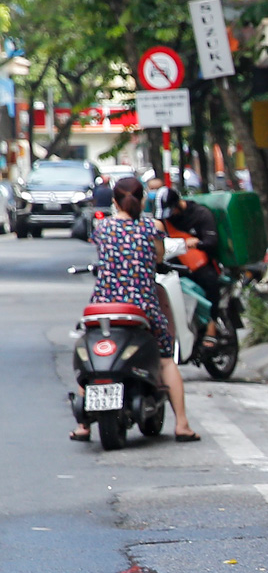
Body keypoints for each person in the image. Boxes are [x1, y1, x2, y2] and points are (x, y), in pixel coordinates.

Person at [72, 177, 198, 443]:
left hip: (103, 307)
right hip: (141, 305)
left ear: (115, 201)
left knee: (89, 358)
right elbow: (159, 257)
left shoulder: (102, 227)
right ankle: (183, 425)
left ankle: (83, 425)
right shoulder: (153, 227)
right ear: (142, 200)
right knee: (165, 358)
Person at [160, 188, 224, 323]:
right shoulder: (164, 221)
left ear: (179, 204)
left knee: (210, 283)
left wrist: (195, 244)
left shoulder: (200, 214)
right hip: (176, 266)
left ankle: (212, 324)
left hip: (201, 265)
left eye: (172, 211)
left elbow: (211, 241)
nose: (170, 216)